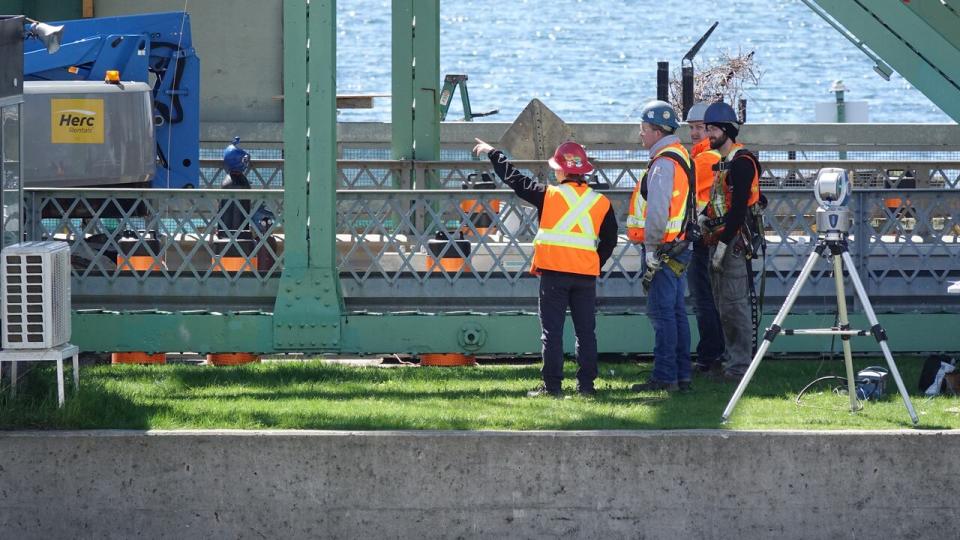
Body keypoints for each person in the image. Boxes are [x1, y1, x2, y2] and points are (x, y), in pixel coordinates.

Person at [472, 138, 618, 398]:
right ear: (583, 172)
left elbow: (515, 180)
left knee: (552, 333)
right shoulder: (601, 203)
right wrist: (594, 261)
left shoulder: (548, 195)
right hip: (585, 276)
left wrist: (493, 153)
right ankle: (586, 387)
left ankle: (553, 388)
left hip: (553, 274)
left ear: (561, 171)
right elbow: (610, 240)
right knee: (586, 332)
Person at [627, 100, 694, 393]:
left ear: (655, 131)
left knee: (662, 314)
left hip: (663, 250)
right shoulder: (680, 156)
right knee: (677, 312)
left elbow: (657, 212)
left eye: (643, 129)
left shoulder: (663, 164)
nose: (640, 134)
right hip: (678, 247)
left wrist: (652, 250)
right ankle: (681, 375)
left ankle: (665, 377)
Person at [700, 101, 763, 381]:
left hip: (734, 242)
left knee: (735, 305)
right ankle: (731, 361)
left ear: (726, 130)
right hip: (721, 239)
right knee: (723, 304)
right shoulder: (726, 163)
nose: (708, 135)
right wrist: (705, 219)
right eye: (707, 129)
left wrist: (724, 244)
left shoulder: (741, 163)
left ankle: (739, 368)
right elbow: (722, 202)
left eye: (712, 129)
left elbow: (738, 210)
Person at [685, 102, 726, 374]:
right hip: (717, 236)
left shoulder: (703, 160)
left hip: (702, 238)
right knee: (717, 299)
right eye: (691, 128)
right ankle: (717, 353)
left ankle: (709, 356)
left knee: (704, 299)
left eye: (700, 128)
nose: (695, 133)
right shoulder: (721, 155)